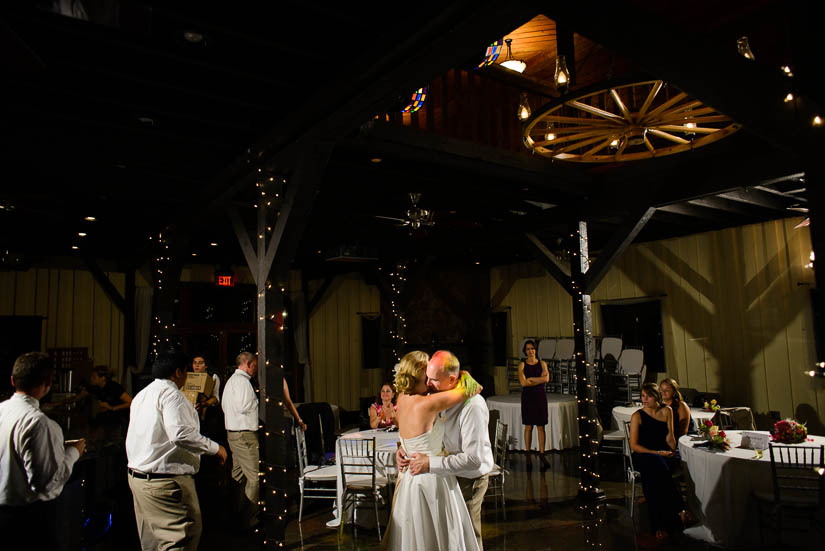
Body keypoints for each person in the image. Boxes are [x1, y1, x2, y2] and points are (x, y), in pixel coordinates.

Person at [125, 351, 227, 551]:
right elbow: (180, 434)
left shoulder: (142, 395)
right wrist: (216, 449)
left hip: (138, 479)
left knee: (152, 542)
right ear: (178, 372)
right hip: (164, 482)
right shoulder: (173, 395)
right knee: (182, 538)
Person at [382, 351, 482, 550]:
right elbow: (475, 388)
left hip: (408, 482)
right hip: (432, 480)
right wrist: (464, 374)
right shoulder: (427, 404)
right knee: (439, 536)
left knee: (414, 536)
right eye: (425, 378)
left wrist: (401, 449)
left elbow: (407, 436)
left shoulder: (400, 400)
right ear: (414, 379)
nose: (428, 382)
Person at [0, 352, 86, 550]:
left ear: (13, 380)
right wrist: (74, 452)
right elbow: (47, 483)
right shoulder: (39, 423)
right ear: (49, 382)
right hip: (24, 520)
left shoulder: (2, 410)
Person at [628, 382, 683, 543]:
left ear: (656, 397)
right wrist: (656, 453)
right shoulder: (637, 415)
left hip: (662, 456)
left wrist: (672, 448)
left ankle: (657, 524)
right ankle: (679, 509)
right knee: (655, 465)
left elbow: (670, 438)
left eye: (648, 396)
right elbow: (634, 445)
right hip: (643, 455)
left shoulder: (667, 411)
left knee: (652, 479)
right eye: (642, 396)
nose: (644, 399)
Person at [222, 351, 260, 529]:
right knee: (254, 478)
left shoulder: (231, 381)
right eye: (255, 365)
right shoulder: (243, 382)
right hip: (244, 434)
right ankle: (249, 520)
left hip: (233, 433)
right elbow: (243, 405)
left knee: (238, 476)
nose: (256, 368)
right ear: (248, 364)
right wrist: (256, 403)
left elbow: (225, 406)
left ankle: (235, 514)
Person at [518, 339, 549, 469]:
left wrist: (532, 379)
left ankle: (542, 454)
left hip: (540, 396)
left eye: (532, 348)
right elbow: (524, 383)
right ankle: (528, 454)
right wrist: (539, 380)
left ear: (535, 350)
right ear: (525, 351)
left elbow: (546, 379)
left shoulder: (542, 363)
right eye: (528, 349)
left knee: (541, 426)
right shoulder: (522, 365)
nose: (531, 351)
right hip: (528, 397)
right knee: (528, 426)